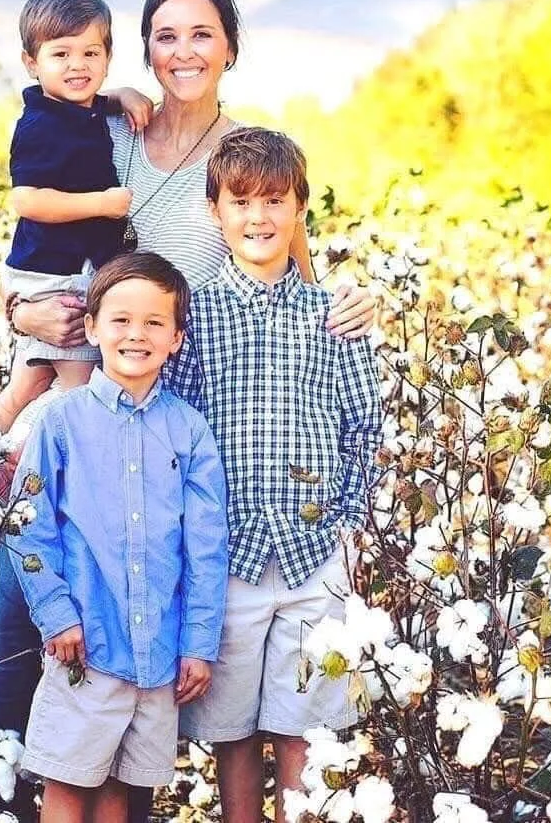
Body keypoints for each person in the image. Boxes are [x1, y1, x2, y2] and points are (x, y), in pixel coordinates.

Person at [0, 0, 377, 820]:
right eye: (165, 34)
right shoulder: (113, 133)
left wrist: (352, 303)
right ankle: (3, 791)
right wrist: (15, 306)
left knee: (136, 662)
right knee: (19, 614)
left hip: (184, 429)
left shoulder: (248, 155)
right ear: (143, 49)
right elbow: (41, 238)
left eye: (201, 34)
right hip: (92, 400)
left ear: (230, 45)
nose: (183, 51)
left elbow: (292, 269)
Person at [164, 127, 383, 823]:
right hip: (225, 551)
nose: (258, 217)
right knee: (230, 726)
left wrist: (348, 526)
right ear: (215, 211)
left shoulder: (333, 315)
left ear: (298, 208)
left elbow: (362, 429)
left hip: (313, 552)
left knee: (300, 722)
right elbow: (176, 427)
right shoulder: (192, 313)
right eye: (241, 201)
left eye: (274, 200)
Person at [6, 252, 228, 823]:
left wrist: (198, 642)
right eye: (122, 320)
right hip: (85, 641)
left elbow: (205, 547)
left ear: (177, 338)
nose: (137, 334)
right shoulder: (61, 422)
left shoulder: (189, 429)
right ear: (93, 328)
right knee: (71, 779)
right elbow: (27, 527)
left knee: (122, 791)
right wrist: (57, 614)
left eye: (155, 322)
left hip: (159, 649)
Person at [0, 0, 149, 524]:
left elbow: (94, 98)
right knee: (83, 395)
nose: (78, 66)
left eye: (91, 53)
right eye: (61, 54)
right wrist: (103, 203)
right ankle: (9, 477)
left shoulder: (83, 109)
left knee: (28, 383)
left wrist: (121, 95)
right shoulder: (39, 125)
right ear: (32, 63)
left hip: (50, 271)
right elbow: (26, 198)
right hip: (57, 278)